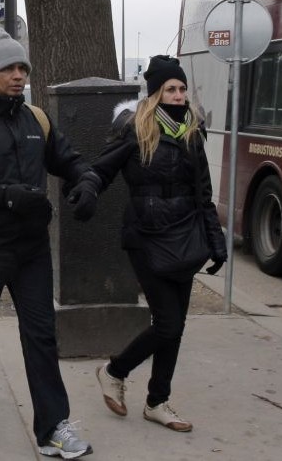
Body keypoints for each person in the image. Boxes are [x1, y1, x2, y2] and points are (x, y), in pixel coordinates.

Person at [0, 28, 93, 459]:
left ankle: (52, 428)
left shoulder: (36, 119)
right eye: (9, 68)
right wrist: (5, 194)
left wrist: (84, 179)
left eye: (23, 68)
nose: (18, 75)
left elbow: (66, 158)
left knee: (42, 335)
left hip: (30, 249)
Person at [66, 55, 227, 433]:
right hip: (146, 238)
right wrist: (87, 189)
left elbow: (203, 193)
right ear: (155, 94)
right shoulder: (136, 129)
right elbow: (101, 169)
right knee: (168, 324)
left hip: (185, 237)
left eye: (182, 88)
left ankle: (157, 401)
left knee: (176, 325)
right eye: (170, 89)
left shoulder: (191, 132)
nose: (178, 95)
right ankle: (113, 371)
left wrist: (216, 241)